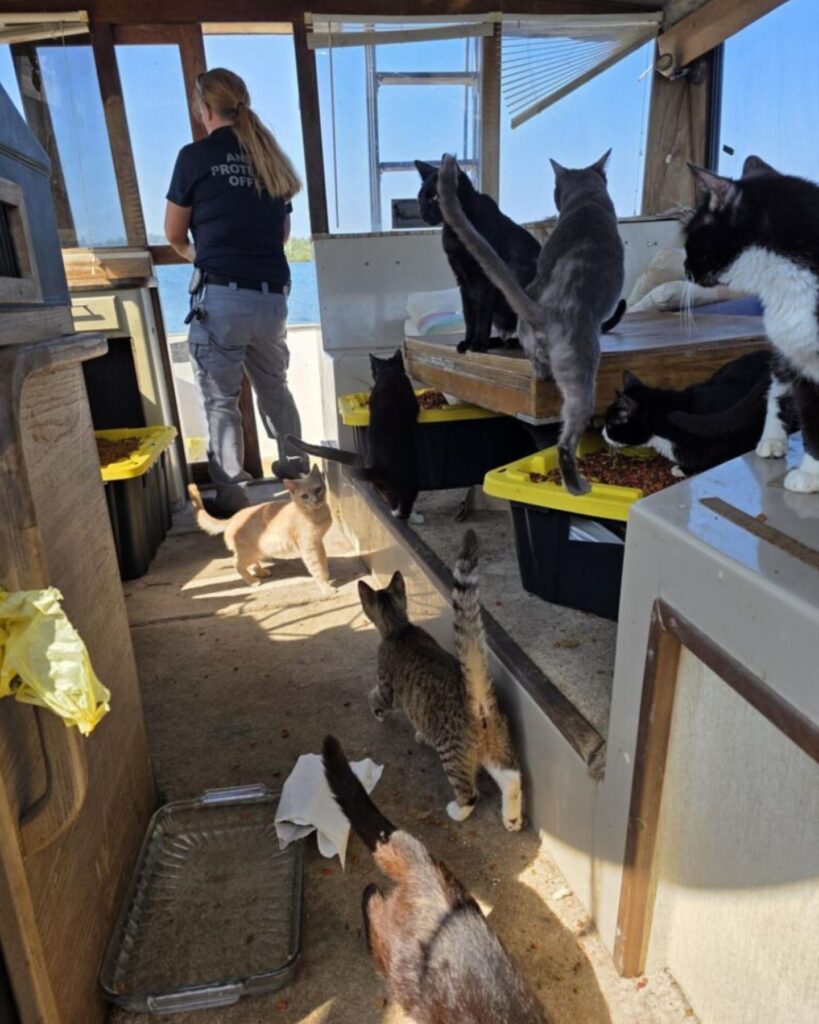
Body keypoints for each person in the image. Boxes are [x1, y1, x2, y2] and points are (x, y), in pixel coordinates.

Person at [165, 67, 308, 514]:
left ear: (205, 110)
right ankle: (299, 476)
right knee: (275, 390)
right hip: (272, 299)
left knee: (222, 402)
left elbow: (174, 234)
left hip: (222, 298)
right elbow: (283, 234)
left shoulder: (194, 157)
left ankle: (233, 501)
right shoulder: (269, 158)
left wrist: (205, 259)